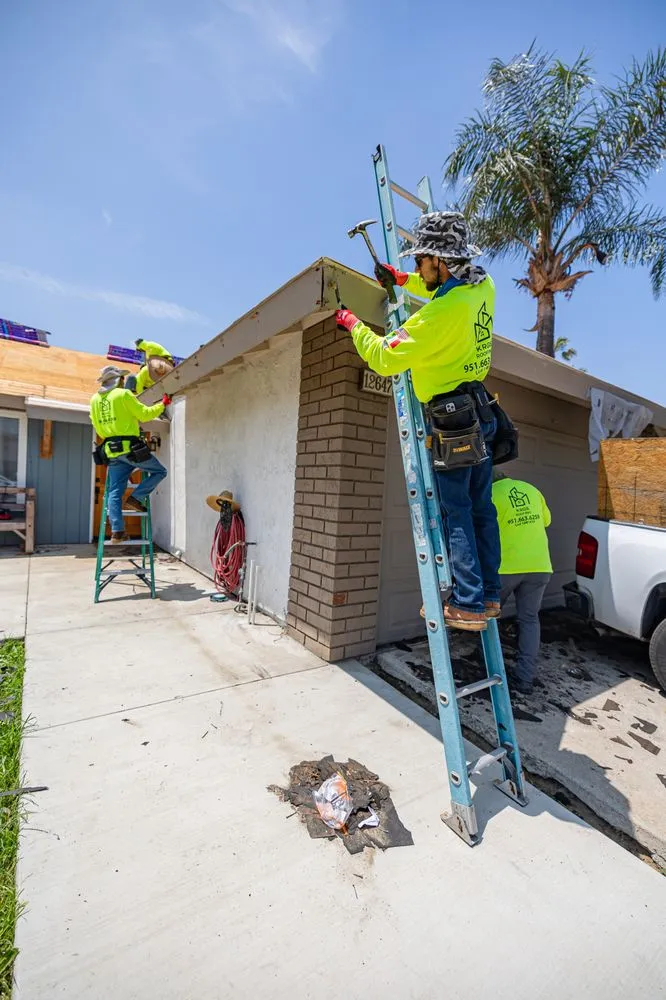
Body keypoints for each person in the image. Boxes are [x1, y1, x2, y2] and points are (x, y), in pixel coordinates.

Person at [336, 211, 500, 631]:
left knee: (455, 510)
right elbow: (441, 288)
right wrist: (401, 279)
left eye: (421, 260)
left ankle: (467, 603)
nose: (417, 266)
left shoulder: (437, 316)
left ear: (440, 261)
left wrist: (353, 325)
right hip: (480, 410)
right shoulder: (483, 286)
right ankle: (488, 596)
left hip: (453, 420)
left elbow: (384, 357)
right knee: (481, 507)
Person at [90, 365, 170, 543]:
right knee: (159, 471)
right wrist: (162, 404)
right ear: (118, 380)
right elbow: (144, 414)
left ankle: (117, 532)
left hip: (111, 451)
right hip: (131, 449)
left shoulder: (94, 399)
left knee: (114, 491)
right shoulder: (123, 394)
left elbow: (98, 428)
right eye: (122, 378)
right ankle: (136, 498)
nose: (123, 381)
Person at [492, 470, 553, 695]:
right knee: (529, 619)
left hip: (507, 568)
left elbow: (483, 530)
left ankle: (489, 666)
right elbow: (547, 521)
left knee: (489, 616)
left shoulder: (490, 494)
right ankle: (525, 679)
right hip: (540, 567)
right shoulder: (532, 490)